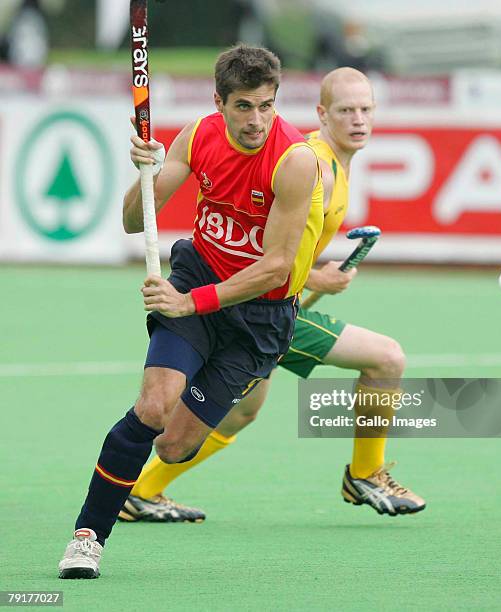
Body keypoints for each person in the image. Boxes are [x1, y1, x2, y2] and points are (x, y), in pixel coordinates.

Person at [57, 44, 324, 579]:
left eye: (267, 106)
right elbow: (135, 220)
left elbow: (275, 269)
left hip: (259, 319)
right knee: (154, 405)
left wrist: (188, 302)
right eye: (244, 106)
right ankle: (88, 536)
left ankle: (138, 467)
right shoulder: (199, 135)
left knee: (175, 446)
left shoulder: (295, 162)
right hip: (199, 278)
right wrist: (145, 172)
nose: (257, 120)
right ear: (219, 102)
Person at [120, 67, 425, 524]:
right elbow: (275, 259)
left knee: (243, 412)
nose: (357, 120)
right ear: (323, 114)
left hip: (266, 301)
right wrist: (315, 281)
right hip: (261, 307)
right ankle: (366, 474)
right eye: (346, 110)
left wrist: (316, 276)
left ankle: (143, 491)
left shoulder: (338, 167)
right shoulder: (315, 163)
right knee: (387, 359)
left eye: (366, 109)